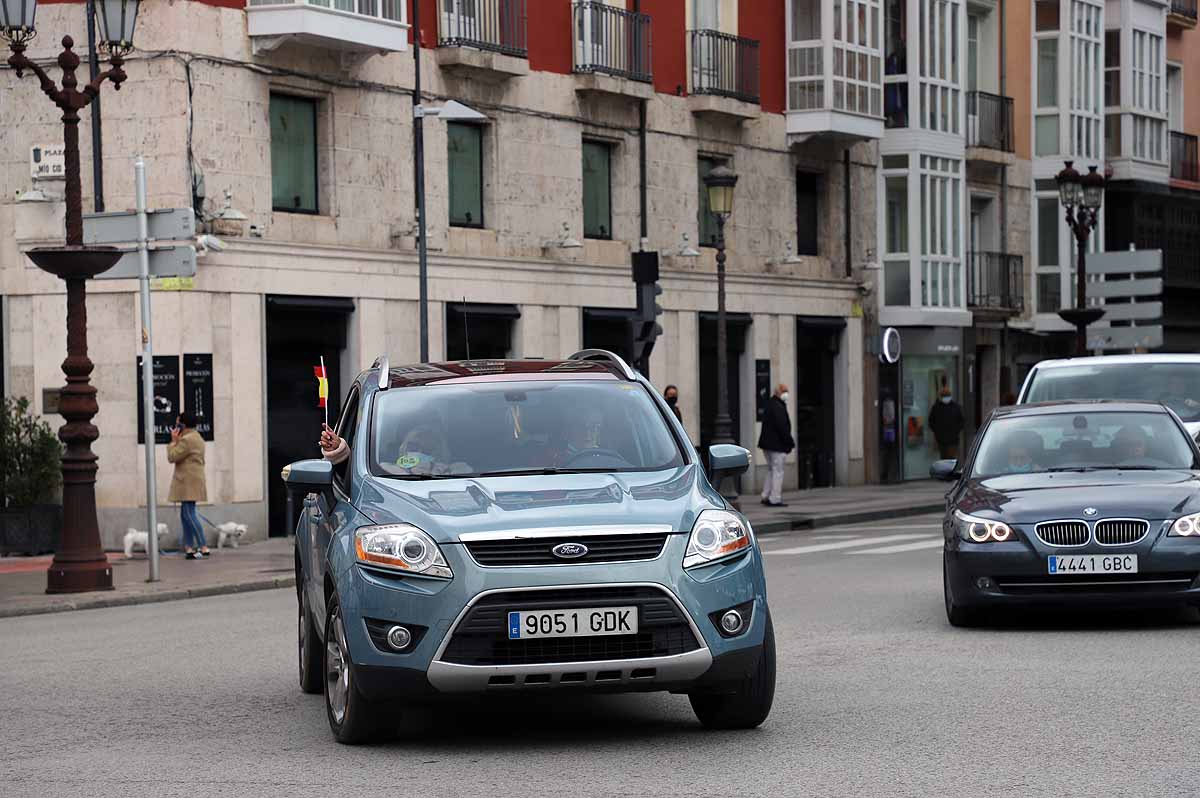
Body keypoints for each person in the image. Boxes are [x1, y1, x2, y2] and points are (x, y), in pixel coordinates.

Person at [167, 412, 209, 559]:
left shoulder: (187, 440)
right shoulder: (196, 437)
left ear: (182, 425)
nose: (175, 426)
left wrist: (173, 441)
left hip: (187, 481)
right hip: (192, 480)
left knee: (188, 514)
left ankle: (203, 545)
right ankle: (189, 547)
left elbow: (172, 456)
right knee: (186, 514)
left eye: (177, 423)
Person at [758, 384, 793, 507]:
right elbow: (782, 427)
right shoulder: (778, 406)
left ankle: (765, 495)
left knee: (771, 470)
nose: (786, 394)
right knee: (778, 471)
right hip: (777, 445)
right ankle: (775, 498)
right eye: (784, 391)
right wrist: (789, 442)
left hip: (768, 445)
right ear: (778, 393)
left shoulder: (771, 404)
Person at [928, 385, 965, 460]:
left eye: (947, 396)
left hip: (952, 440)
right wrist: (937, 432)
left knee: (950, 459)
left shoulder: (956, 407)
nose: (946, 398)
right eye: (944, 396)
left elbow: (961, 421)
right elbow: (931, 421)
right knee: (943, 458)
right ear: (941, 397)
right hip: (941, 439)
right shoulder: (936, 407)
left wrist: (956, 431)